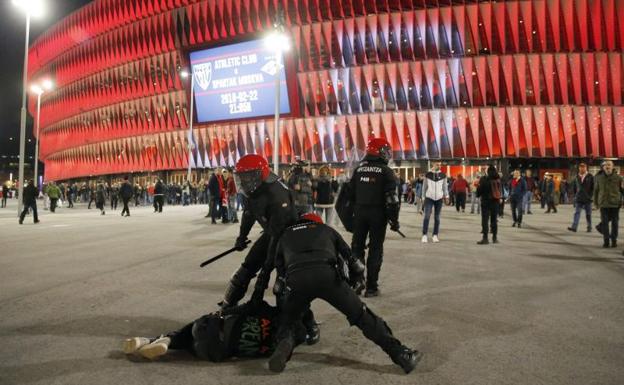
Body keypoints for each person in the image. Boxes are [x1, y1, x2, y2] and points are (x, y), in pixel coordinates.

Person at [266, 213, 421, 374]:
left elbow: (279, 278)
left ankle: (284, 346)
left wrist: (288, 306)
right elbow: (354, 262)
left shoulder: (285, 236)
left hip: (297, 278)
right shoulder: (326, 230)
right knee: (363, 316)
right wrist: (355, 282)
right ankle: (402, 355)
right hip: (327, 276)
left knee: (289, 322)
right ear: (317, 222)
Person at [221, 154, 319, 343]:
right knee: (243, 272)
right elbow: (249, 214)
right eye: (242, 176)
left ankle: (308, 324)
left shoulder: (276, 194)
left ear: (260, 175)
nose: (244, 181)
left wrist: (265, 273)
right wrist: (241, 237)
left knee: (286, 288)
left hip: (289, 239)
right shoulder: (254, 191)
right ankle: (225, 311)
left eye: (248, 176)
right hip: (271, 233)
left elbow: (278, 236)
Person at [123, 300, 310, 362]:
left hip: (206, 330)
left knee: (202, 324)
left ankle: (159, 340)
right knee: (193, 343)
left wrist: (222, 312)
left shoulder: (269, 311)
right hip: (214, 352)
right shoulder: (275, 349)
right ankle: (165, 341)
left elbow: (246, 307)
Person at [347, 137, 400, 297]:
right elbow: (392, 200)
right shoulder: (386, 171)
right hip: (378, 216)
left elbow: (349, 195)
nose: (387, 154)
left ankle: (357, 281)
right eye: (386, 151)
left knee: (356, 248)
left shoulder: (358, 170)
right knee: (376, 249)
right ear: (380, 152)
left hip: (360, 214)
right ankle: (371, 287)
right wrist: (394, 220)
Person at [593, 160, 622, 248]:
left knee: (615, 223)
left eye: (609, 165)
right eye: (606, 165)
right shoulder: (598, 178)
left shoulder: (618, 178)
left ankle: (614, 240)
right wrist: (595, 203)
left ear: (613, 167)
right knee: (605, 223)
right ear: (603, 167)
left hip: (615, 204)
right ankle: (606, 240)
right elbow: (596, 191)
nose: (607, 166)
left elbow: (622, 191)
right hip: (603, 203)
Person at [421, 161, 449, 243]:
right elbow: (424, 187)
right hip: (429, 198)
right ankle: (424, 235)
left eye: (440, 164)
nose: (439, 166)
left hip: (439, 199)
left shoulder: (443, 175)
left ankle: (435, 235)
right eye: (437, 164)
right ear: (433, 164)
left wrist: (446, 196)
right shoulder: (428, 175)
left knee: (437, 218)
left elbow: (445, 187)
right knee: (427, 216)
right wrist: (423, 197)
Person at [476, 165, 501, 245]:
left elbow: (479, 191)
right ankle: (494, 238)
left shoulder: (484, 179)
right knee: (494, 220)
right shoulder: (497, 179)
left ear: (488, 171)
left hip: (486, 202)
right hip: (495, 201)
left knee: (485, 220)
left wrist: (478, 192)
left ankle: (485, 238)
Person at [567, 162, 594, 233]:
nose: (582, 168)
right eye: (581, 167)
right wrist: (575, 196)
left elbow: (593, 188)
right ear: (579, 168)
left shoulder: (590, 176)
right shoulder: (577, 177)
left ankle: (589, 227)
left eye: (583, 167)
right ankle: (574, 227)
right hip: (579, 198)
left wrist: (591, 197)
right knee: (577, 213)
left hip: (588, 199)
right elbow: (575, 188)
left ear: (586, 168)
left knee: (588, 214)